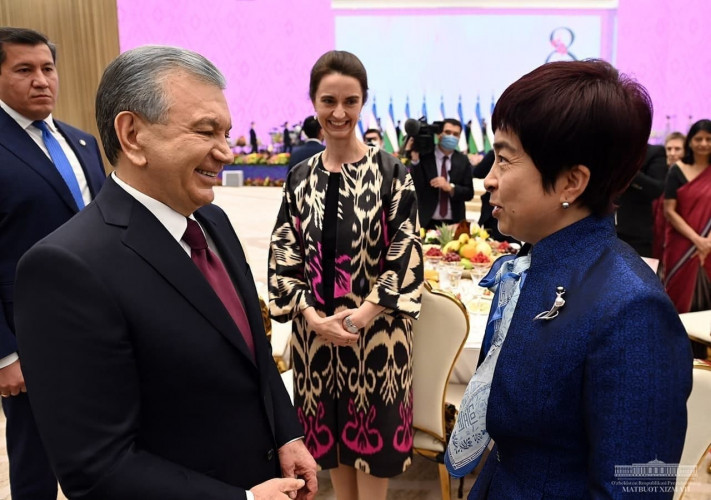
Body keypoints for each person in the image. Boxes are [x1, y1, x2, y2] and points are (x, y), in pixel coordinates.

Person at [14, 45, 316, 500]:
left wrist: (287, 435)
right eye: (206, 131)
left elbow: (251, 356)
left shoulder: (212, 222)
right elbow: (96, 468)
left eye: (226, 132)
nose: (225, 152)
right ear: (133, 135)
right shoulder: (65, 268)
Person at [446, 59, 692, 499]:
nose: (489, 180)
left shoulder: (633, 310)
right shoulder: (536, 266)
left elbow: (635, 490)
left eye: (504, 159)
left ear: (571, 182)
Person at [269, 50, 423, 500]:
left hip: (377, 338)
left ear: (363, 102)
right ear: (314, 102)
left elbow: (406, 256)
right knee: (332, 458)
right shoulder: (299, 178)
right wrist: (314, 319)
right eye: (329, 101)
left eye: (350, 101)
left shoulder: (392, 173)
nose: (339, 112)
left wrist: (358, 318)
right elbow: (284, 255)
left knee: (373, 455)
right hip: (315, 340)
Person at [0, 27, 106, 500]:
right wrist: (5, 354)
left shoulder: (82, 143)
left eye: (47, 68)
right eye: (24, 69)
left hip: (102, 328)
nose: (41, 80)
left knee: (108, 450)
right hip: (30, 341)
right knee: (36, 463)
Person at [663, 119, 711, 315]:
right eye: (698, 139)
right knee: (679, 301)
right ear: (690, 141)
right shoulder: (677, 170)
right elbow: (669, 210)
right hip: (682, 243)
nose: (704, 143)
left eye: (708, 139)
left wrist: (708, 242)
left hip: (710, 244)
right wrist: (698, 241)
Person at [406, 118, 474, 229]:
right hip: (426, 222)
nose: (451, 137)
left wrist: (451, 188)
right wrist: (414, 159)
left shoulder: (463, 160)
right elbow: (415, 186)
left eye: (455, 134)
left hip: (454, 223)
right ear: (438, 134)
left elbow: (469, 193)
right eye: (447, 132)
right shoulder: (424, 157)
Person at [614, 143, 667, 257]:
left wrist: (629, 169)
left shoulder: (654, 152)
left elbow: (656, 189)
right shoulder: (608, 150)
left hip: (635, 234)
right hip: (601, 231)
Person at [652, 131, 686, 260]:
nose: (672, 153)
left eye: (677, 149)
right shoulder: (657, 177)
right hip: (654, 240)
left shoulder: (688, 180)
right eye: (669, 149)